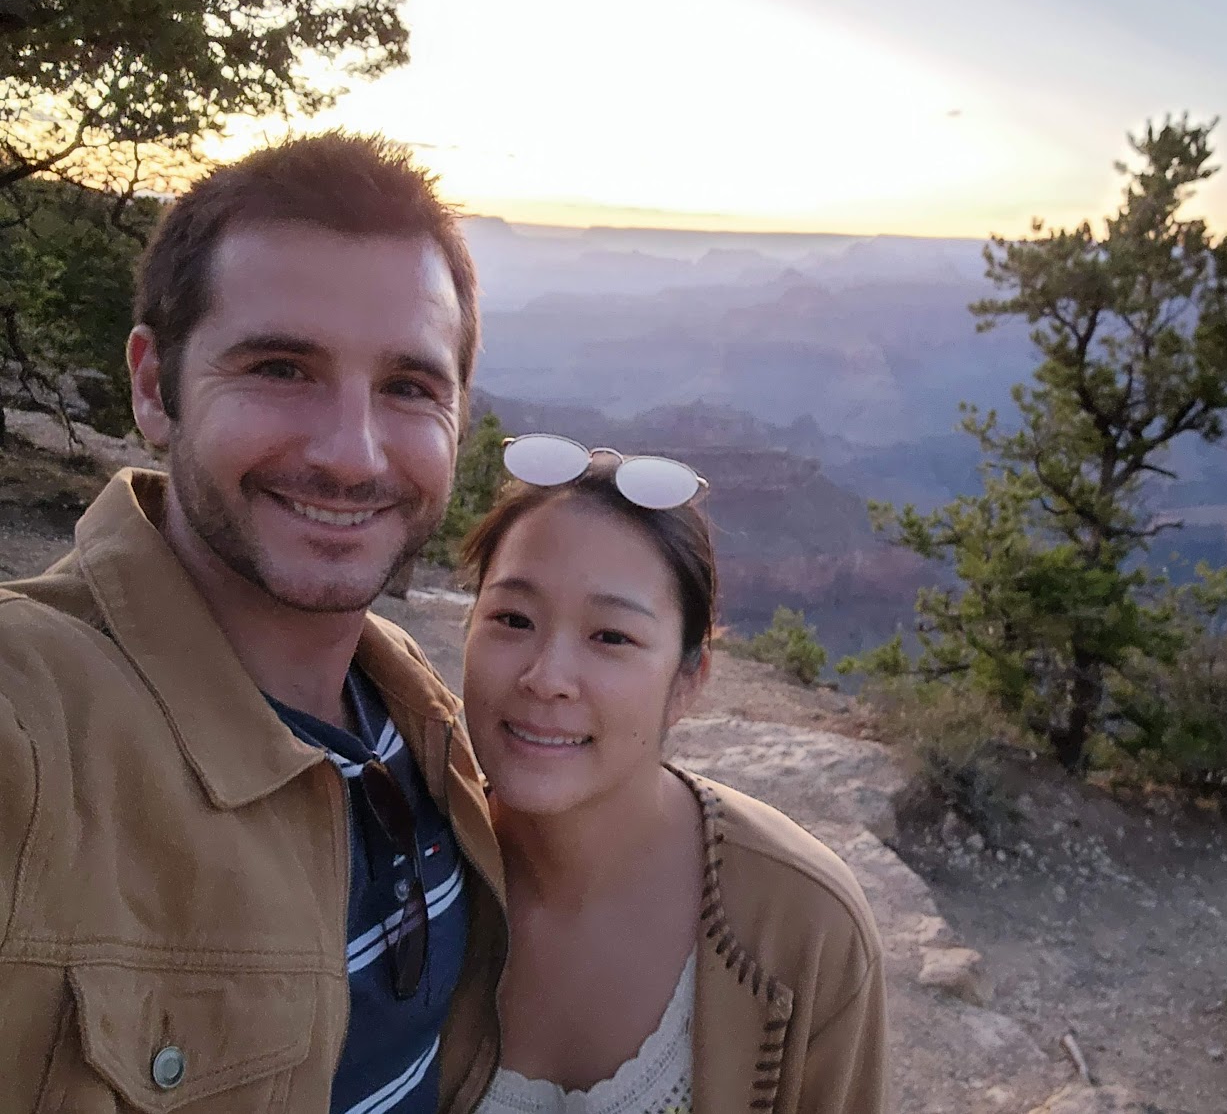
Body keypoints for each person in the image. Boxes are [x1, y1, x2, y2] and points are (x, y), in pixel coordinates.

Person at [0, 133, 509, 1113]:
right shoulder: (34, 723)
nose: (353, 455)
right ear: (154, 386)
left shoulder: (407, 704)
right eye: (281, 367)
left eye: (408, 386)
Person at [459, 434, 889, 1114]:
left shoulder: (805, 929)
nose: (545, 677)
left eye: (610, 636)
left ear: (687, 680)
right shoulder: (398, 877)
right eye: (511, 618)